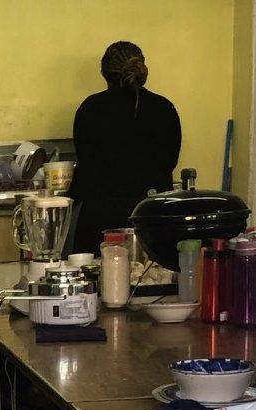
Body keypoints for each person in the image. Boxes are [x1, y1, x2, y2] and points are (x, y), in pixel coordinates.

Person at [65, 41, 180, 257]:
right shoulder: (164, 109)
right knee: (155, 283)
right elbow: (168, 163)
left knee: (97, 285)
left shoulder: (90, 109)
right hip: (151, 217)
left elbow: (85, 164)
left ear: (104, 74)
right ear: (141, 68)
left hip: (99, 221)